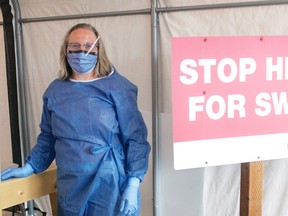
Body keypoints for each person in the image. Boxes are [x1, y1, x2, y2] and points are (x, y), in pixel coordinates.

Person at [1, 23, 151, 216]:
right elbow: (48, 137)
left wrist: (133, 182)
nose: (82, 51)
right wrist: (30, 166)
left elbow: (136, 138)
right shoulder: (55, 91)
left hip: (110, 182)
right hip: (71, 184)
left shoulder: (117, 88)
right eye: (75, 46)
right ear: (66, 49)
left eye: (89, 46)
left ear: (99, 49)